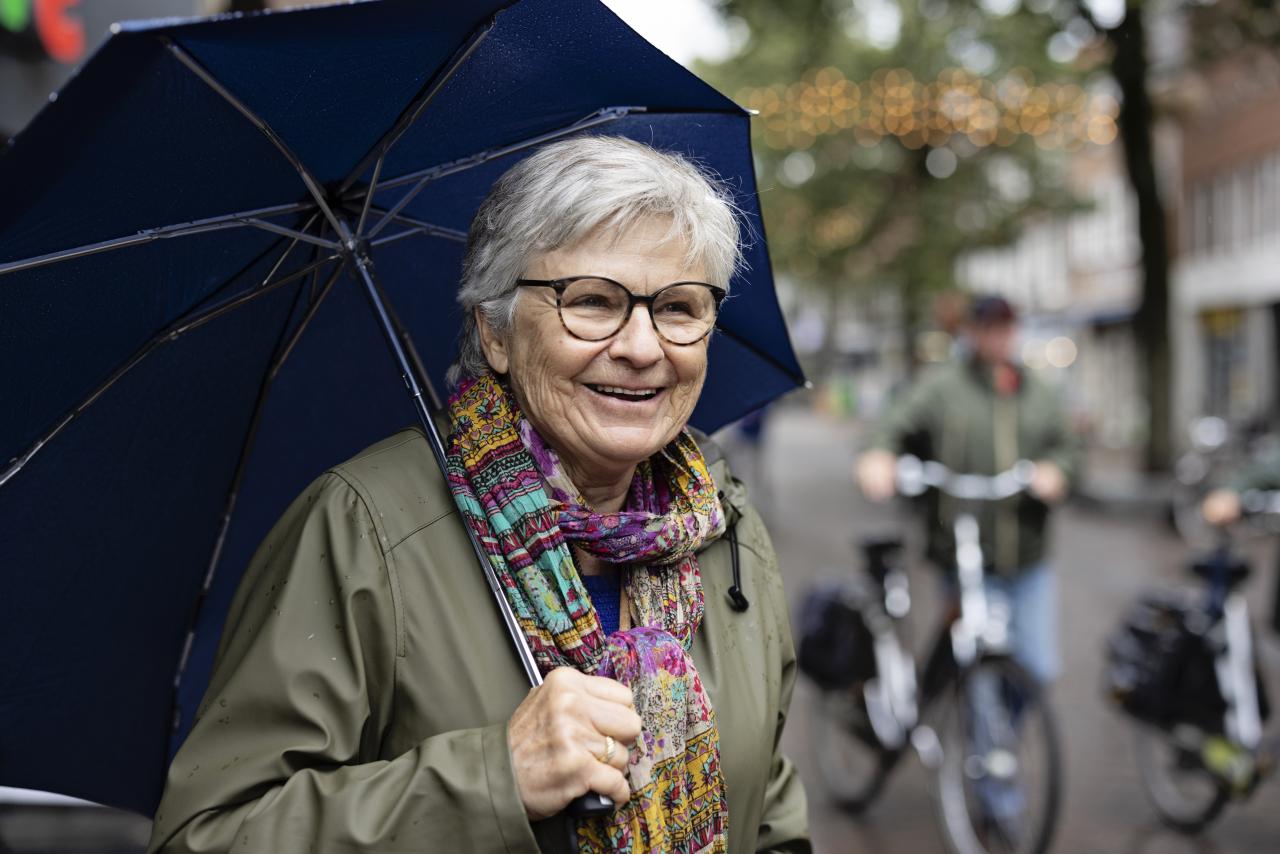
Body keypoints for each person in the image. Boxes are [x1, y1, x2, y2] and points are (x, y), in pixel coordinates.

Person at [147, 137, 809, 854]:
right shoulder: (362, 531)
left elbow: (769, 813)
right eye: (592, 301)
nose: (644, 348)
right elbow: (208, 836)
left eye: (679, 308)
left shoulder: (722, 523)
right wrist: (494, 778)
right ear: (493, 330)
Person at [855, 295, 1078, 686]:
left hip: (1028, 554)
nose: (998, 338)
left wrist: (1057, 470)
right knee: (975, 666)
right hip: (965, 553)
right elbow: (894, 421)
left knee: (1038, 668)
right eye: (989, 328)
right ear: (972, 332)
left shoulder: (1039, 392)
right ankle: (982, 744)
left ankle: (1001, 740)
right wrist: (878, 455)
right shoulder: (943, 388)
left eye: (1005, 328)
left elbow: (1067, 447)